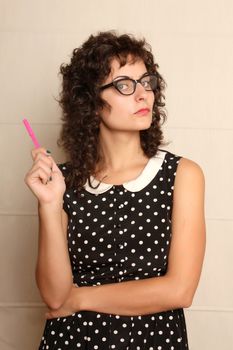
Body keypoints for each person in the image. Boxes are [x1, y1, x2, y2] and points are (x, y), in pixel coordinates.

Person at [25, 31, 206, 350]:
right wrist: (50, 206)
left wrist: (78, 298)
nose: (143, 95)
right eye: (124, 85)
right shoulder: (61, 181)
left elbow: (180, 291)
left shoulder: (182, 175)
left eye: (146, 81)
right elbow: (54, 296)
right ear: (91, 103)